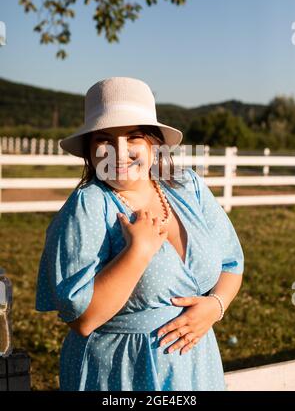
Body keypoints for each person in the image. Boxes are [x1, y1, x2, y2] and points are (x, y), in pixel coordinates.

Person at [35, 76, 244, 391]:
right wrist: (138, 252)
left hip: (196, 367)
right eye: (104, 139)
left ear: (153, 142)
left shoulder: (188, 188)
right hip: (123, 371)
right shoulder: (90, 204)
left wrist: (215, 306)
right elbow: (84, 319)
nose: (119, 152)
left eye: (133, 137)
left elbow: (231, 264)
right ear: (90, 149)